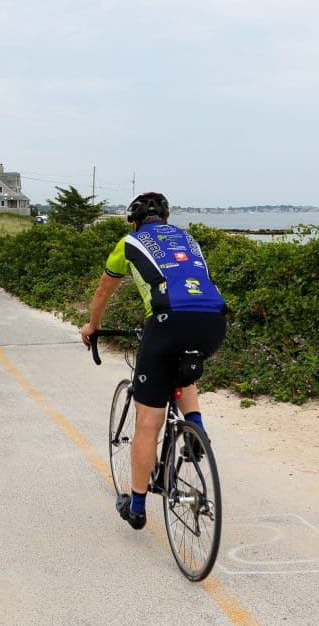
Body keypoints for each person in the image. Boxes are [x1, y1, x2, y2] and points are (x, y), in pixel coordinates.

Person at [80, 192, 226, 530]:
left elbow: (104, 290)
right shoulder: (188, 239)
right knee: (184, 366)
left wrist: (93, 326)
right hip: (214, 321)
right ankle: (196, 430)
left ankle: (137, 506)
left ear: (134, 221)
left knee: (148, 421)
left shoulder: (129, 242)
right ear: (165, 218)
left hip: (166, 322)